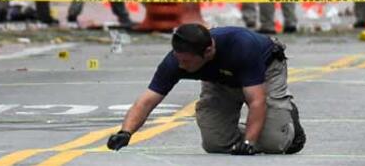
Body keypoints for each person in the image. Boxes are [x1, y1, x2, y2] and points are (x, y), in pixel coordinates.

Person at [107, 24, 305, 156]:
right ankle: (264, 126)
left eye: (186, 61)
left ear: (208, 52)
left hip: (263, 74)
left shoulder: (242, 47)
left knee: (274, 143)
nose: (180, 65)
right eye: (178, 58)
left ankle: (285, 121)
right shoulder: (176, 60)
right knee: (215, 144)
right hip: (220, 81)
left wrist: (249, 143)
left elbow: (256, 101)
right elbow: (147, 100)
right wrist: (126, 132)